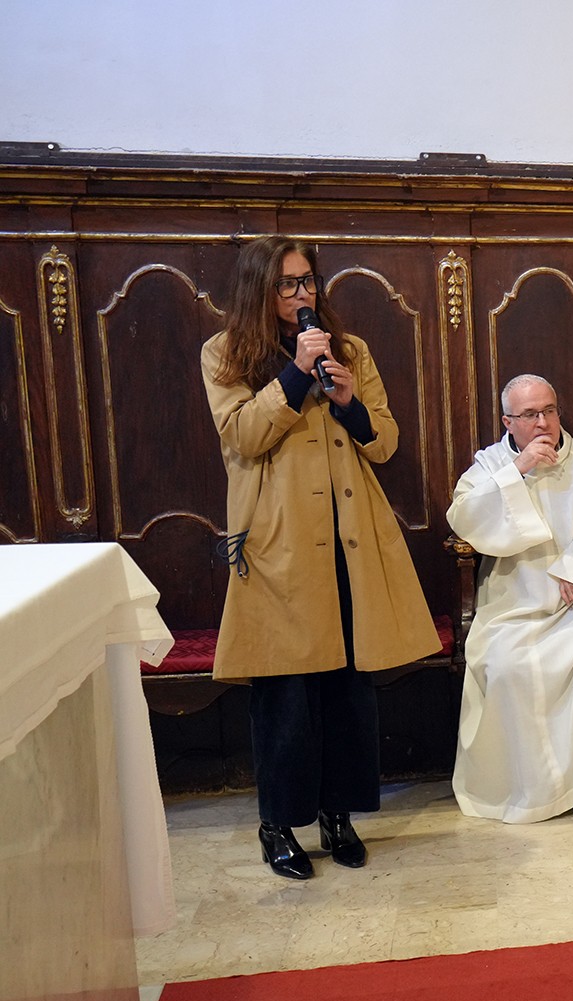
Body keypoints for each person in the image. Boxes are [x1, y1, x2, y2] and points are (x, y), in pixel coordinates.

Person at [201, 235, 439, 880]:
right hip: (278, 546)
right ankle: (278, 825)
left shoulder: (348, 349)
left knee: (347, 692)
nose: (301, 293)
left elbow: (384, 442)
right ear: (259, 289)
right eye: (287, 283)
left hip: (348, 539)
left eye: (307, 281)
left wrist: (348, 402)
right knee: (284, 695)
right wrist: (293, 376)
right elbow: (243, 436)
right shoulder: (225, 353)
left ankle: (339, 816)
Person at [445, 374, 573, 823]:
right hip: (514, 603)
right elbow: (464, 516)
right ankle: (526, 786)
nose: (542, 423)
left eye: (549, 411)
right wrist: (517, 472)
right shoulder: (491, 464)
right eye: (530, 414)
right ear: (508, 422)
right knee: (506, 667)